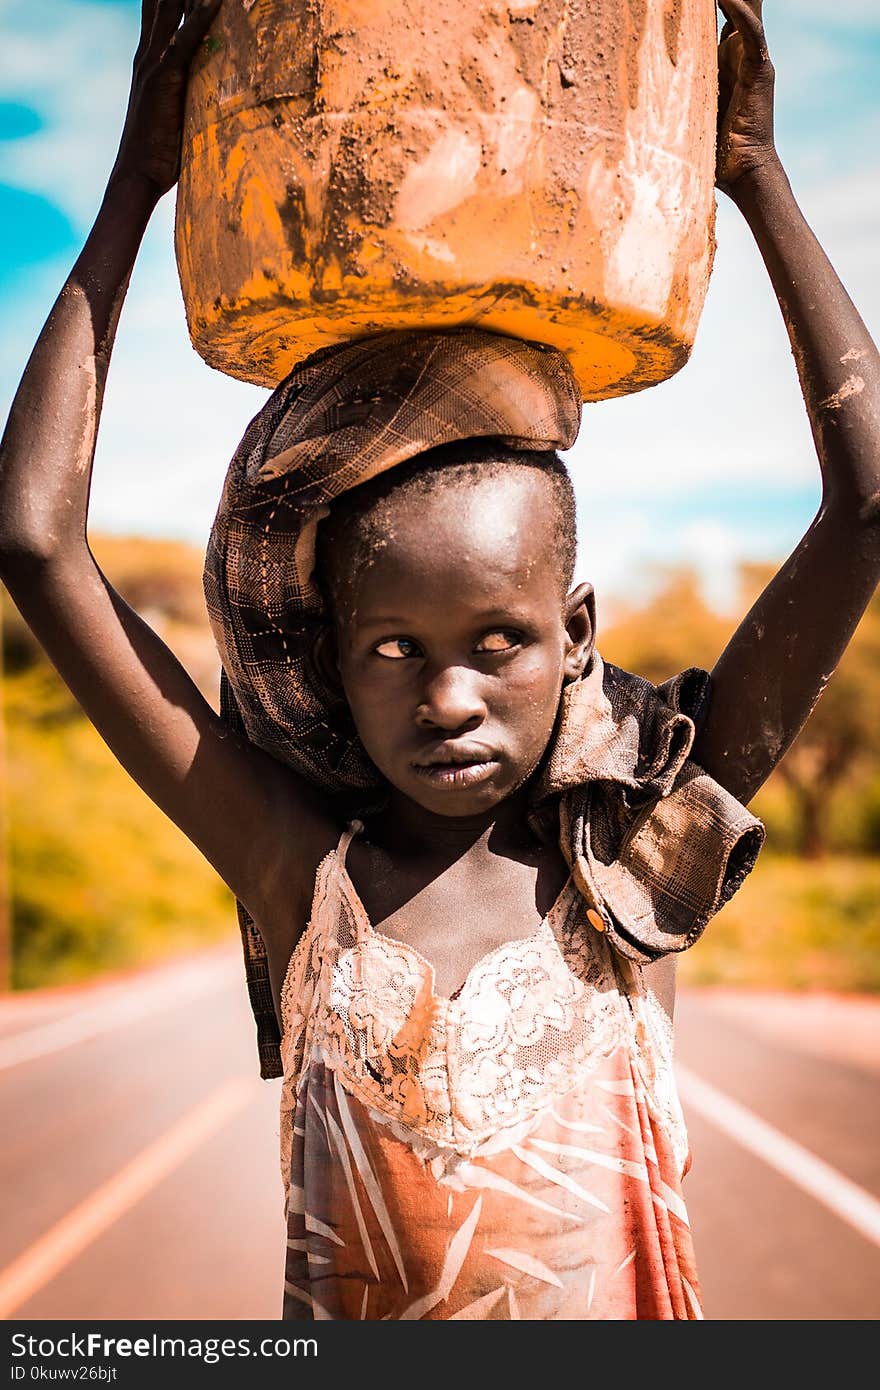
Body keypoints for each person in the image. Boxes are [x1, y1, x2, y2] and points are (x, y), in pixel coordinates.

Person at [0, 0, 877, 1321]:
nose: (450, 695)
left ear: (574, 634)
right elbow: (34, 537)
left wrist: (751, 172)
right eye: (395, 646)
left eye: (500, 642)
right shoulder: (308, 883)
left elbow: (867, 505)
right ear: (333, 660)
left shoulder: (635, 850)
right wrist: (135, 177)